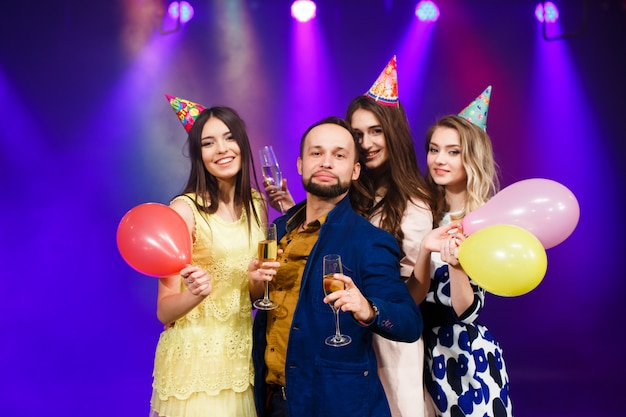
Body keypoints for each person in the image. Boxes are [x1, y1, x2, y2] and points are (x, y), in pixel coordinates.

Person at [264, 56, 434, 417]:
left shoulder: (410, 205)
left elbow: (407, 305)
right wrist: (290, 210)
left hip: (380, 339)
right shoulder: (345, 197)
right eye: (358, 135)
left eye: (376, 131)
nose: (367, 142)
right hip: (320, 351)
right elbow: (320, 236)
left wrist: (370, 308)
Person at [149, 95, 269, 417]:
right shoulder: (184, 210)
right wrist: (196, 295)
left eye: (229, 138)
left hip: (241, 357)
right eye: (208, 143)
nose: (222, 149)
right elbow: (164, 310)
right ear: (199, 156)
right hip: (196, 360)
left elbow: (253, 294)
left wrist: (257, 282)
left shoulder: (257, 204)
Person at [407, 86, 513, 417]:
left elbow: (468, 311)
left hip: (464, 358)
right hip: (415, 350)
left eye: (453, 152)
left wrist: (456, 266)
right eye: (434, 149)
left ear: (472, 158)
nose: (439, 159)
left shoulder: (484, 220)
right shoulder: (420, 208)